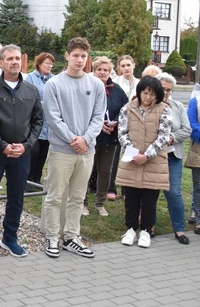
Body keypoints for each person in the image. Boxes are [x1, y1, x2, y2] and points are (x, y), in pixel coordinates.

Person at [42, 37, 104, 259]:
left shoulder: (96, 84)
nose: (79, 60)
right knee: (55, 196)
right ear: (67, 56)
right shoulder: (54, 84)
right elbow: (53, 118)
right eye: (76, 55)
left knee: (78, 196)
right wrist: (72, 139)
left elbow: (98, 117)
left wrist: (86, 139)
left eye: (84, 56)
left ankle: (71, 237)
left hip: (87, 151)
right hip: (61, 150)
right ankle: (52, 236)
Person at [0, 44, 43, 258]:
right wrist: (2, 146)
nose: (15, 62)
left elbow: (38, 121)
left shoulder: (32, 91)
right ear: (2, 62)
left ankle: (10, 238)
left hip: (21, 154)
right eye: (10, 59)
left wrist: (26, 146)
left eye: (18, 58)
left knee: (16, 198)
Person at [116, 76, 171, 248]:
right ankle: (131, 228)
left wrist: (146, 155)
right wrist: (134, 153)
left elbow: (163, 136)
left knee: (149, 199)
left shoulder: (164, 109)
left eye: (152, 95)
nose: (147, 97)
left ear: (157, 96)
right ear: (139, 92)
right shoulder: (128, 108)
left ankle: (146, 231)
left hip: (154, 162)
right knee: (130, 197)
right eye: (145, 93)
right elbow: (122, 133)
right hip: (131, 159)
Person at [84, 57, 128, 217]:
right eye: (99, 69)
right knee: (87, 169)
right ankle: (83, 202)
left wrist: (115, 122)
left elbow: (125, 108)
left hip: (110, 136)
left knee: (105, 170)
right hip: (90, 136)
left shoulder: (117, 90)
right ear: (94, 71)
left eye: (105, 70)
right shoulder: (86, 87)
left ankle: (100, 202)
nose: (102, 72)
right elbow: (82, 109)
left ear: (110, 72)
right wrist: (98, 123)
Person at [156, 73, 191, 244]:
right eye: (163, 89)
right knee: (151, 192)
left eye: (169, 90)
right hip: (154, 156)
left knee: (174, 193)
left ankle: (179, 229)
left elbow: (187, 129)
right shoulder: (150, 105)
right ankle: (149, 226)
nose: (166, 92)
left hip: (173, 156)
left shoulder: (178, 106)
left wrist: (172, 137)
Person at [26, 52, 56, 187]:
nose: (50, 66)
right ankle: (28, 180)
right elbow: (28, 97)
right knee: (33, 151)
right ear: (39, 64)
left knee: (43, 152)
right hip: (34, 122)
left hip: (49, 123)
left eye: (51, 63)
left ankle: (37, 180)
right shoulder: (30, 78)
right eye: (47, 63)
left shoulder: (54, 79)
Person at [186, 84, 200, 234]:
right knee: (199, 187)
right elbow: (192, 125)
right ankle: (199, 218)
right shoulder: (196, 101)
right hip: (198, 151)